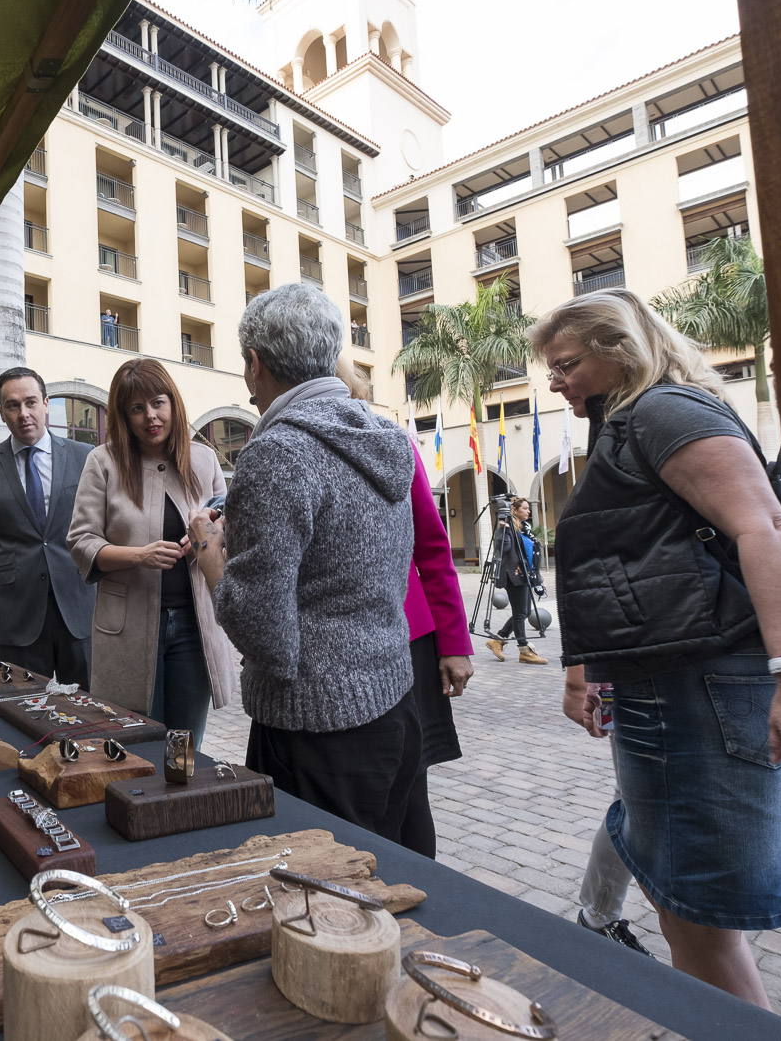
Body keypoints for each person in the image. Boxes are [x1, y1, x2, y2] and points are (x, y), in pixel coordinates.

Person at [532, 288, 781, 1007]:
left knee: (703, 922)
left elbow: (766, 528)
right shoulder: (631, 421)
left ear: (619, 349)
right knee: (684, 910)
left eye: (566, 363)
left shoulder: (664, 411)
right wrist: (591, 669)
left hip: (702, 693)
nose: (554, 380)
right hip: (668, 692)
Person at [190, 283, 421, 842]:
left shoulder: (279, 451)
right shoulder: (382, 433)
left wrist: (209, 551)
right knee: (393, 884)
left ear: (255, 363)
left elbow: (264, 629)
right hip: (393, 700)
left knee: (323, 906)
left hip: (316, 725)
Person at [337, 358, 475, 857]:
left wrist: (455, 644)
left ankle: (417, 895)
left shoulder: (391, 441)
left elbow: (433, 547)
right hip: (339, 648)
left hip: (410, 641)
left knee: (409, 787)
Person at [67, 358, 235, 745]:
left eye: (158, 403)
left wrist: (209, 535)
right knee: (138, 741)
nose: (150, 417)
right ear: (124, 416)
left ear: (173, 402)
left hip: (195, 624)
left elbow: (224, 530)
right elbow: (81, 541)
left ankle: (183, 805)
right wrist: (139, 556)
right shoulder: (103, 461)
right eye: (137, 408)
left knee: (185, 744)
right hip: (129, 624)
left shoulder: (204, 458)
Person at [0, 367, 95, 685]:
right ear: (1, 412)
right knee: (23, 710)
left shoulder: (85, 457)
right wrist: (13, 574)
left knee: (91, 710)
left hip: (79, 608)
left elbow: (99, 525)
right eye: (13, 405)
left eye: (31, 402)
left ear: (46, 404)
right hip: (16, 615)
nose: (24, 414)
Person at [484, 497, 549, 665]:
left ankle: (498, 640)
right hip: (513, 576)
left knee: (525, 612)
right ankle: (524, 650)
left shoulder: (522, 528)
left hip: (524, 574)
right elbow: (503, 548)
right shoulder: (504, 526)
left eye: (528, 508)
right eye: (525, 508)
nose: (528, 511)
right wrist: (503, 531)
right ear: (515, 510)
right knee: (520, 613)